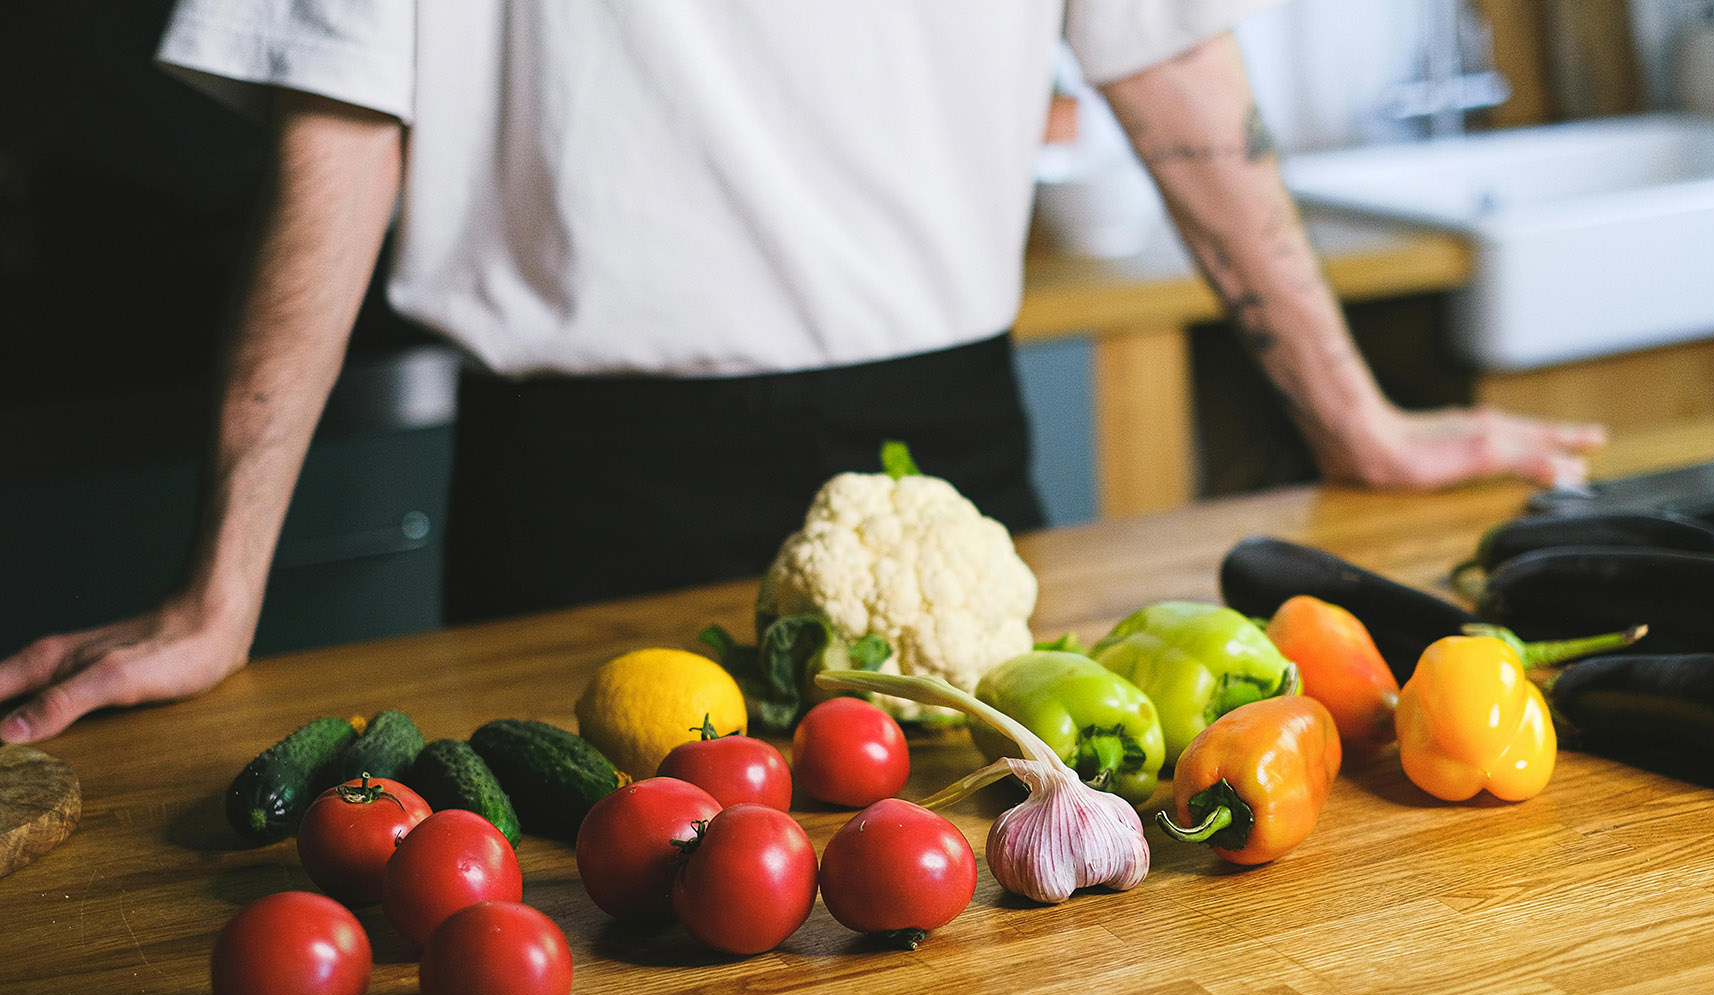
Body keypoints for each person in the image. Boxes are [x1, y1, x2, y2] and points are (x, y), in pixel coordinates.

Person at [0, 1, 1605, 746]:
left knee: (1005, 967)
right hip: (582, 514)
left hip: (950, 499)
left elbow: (1170, 62)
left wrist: (1359, 420)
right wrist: (223, 595)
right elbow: (341, 121)